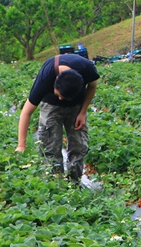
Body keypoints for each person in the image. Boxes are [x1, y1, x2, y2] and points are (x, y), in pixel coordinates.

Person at [16, 53, 100, 183]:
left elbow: (93, 86)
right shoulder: (46, 77)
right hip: (51, 106)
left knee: (79, 145)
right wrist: (21, 145)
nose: (61, 99)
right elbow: (26, 112)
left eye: (64, 98)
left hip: (76, 106)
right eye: (59, 95)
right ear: (55, 85)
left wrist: (82, 112)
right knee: (50, 146)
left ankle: (75, 182)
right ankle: (56, 183)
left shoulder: (87, 69)